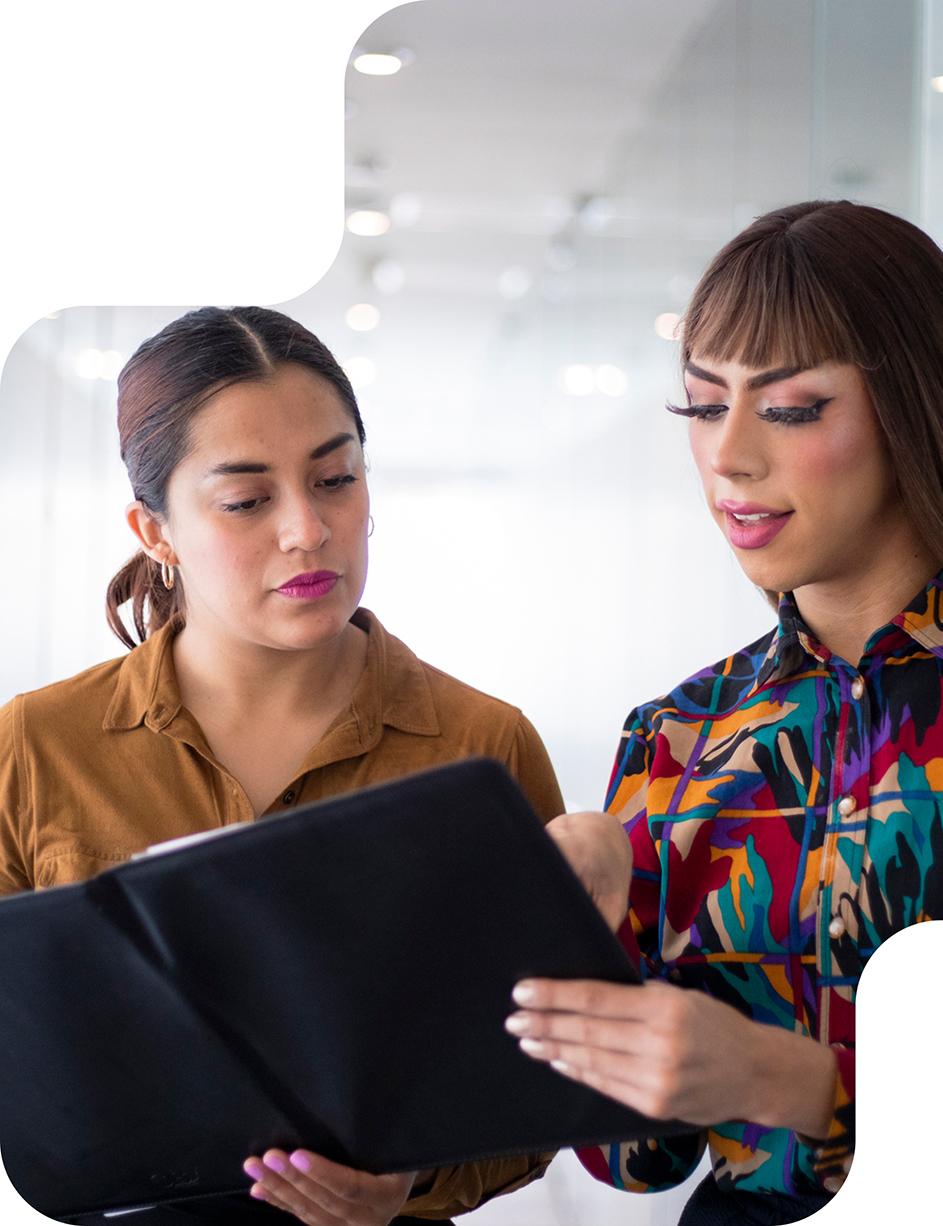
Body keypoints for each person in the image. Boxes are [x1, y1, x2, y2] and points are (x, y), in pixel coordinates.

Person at [504, 201, 943, 1225]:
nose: (729, 455)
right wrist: (569, 936)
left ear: (918, 409)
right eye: (702, 406)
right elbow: (632, 1162)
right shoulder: (681, 731)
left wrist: (793, 1080)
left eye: (789, 408)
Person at [0, 306, 566, 1225]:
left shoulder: (483, 746)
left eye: (336, 479)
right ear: (156, 532)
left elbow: (553, 1081)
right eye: (246, 500)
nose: (308, 530)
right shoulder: (32, 745)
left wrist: (410, 1180)